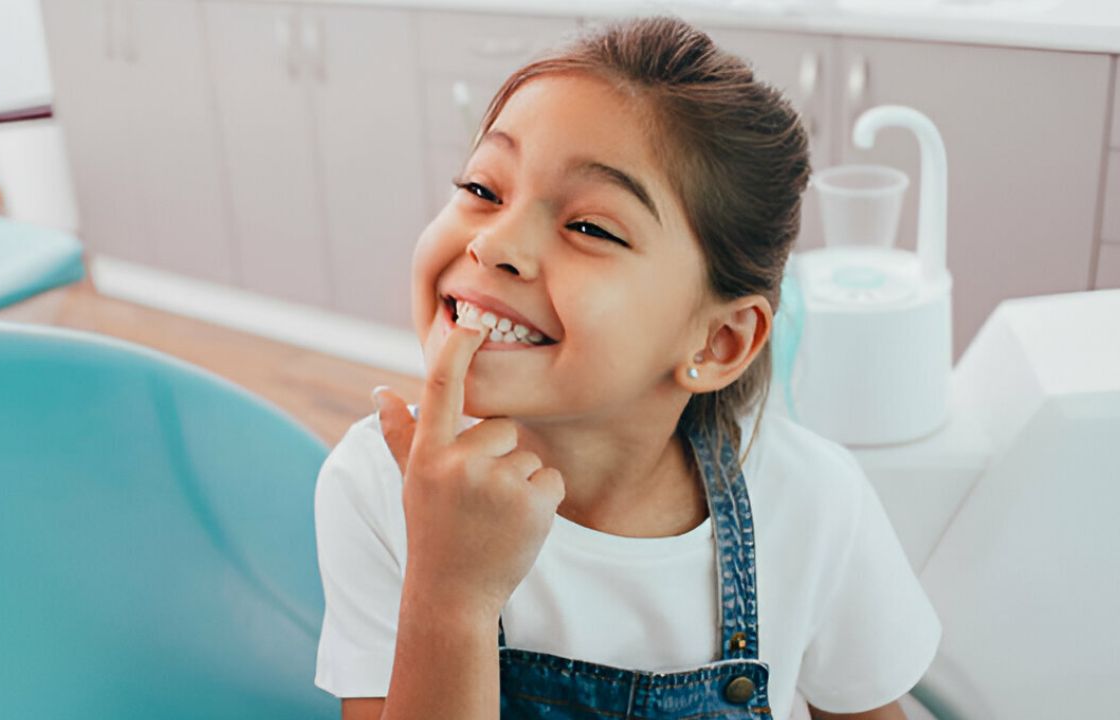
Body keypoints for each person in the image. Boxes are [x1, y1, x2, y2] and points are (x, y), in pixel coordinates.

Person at [312, 15, 941, 720]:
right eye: (484, 188)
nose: (493, 243)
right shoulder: (376, 486)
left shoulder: (814, 505)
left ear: (719, 343)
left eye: (590, 227)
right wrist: (449, 595)